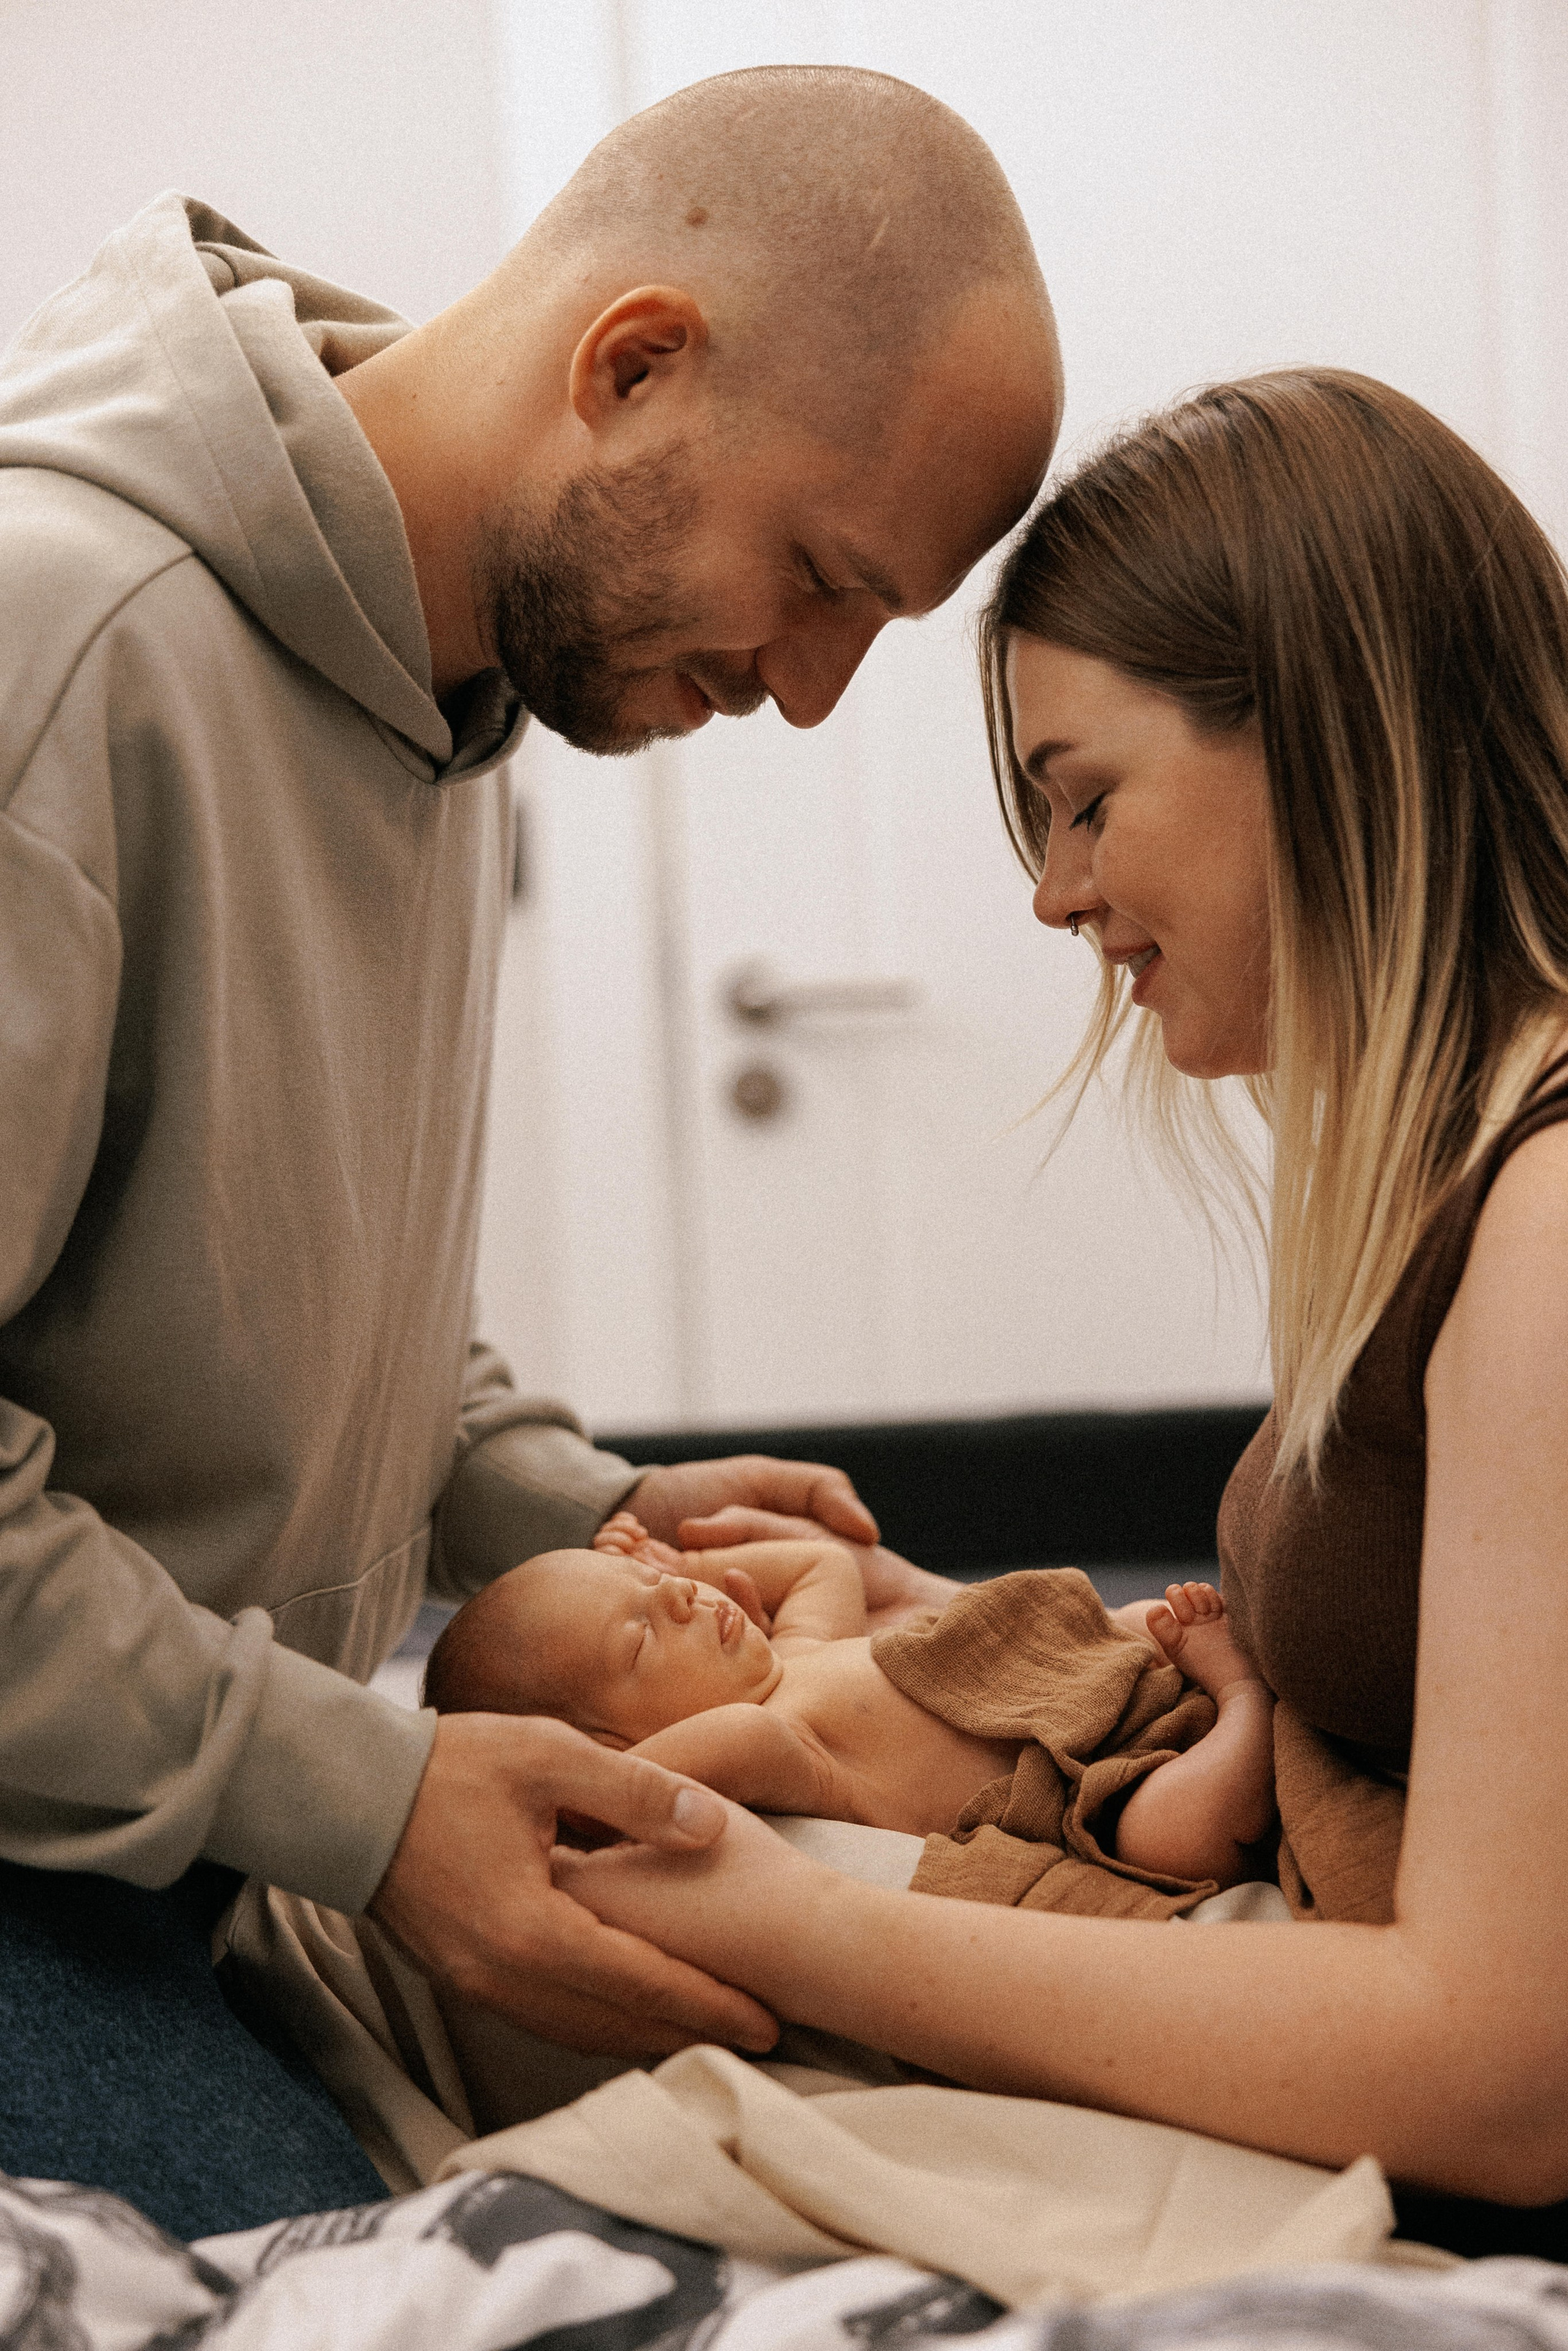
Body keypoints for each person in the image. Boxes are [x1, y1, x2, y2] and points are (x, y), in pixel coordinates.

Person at [0, 64, 1060, 2233]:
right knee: (357, 2265)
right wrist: (374, 1799)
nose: (814, 695)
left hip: (143, 1797)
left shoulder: (443, 682)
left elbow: (255, 1247)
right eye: (823, 580)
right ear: (634, 363)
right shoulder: (61, 645)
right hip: (53, 1829)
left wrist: (565, 1495)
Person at [555, 368, 1568, 2259]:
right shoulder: (1459, 1156)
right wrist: (964, 1639)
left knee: (583, 2030)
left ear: (1339, 738)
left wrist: (790, 1919)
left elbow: (1510, 2065)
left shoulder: (1553, 1215)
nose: (1054, 894)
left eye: (1086, 801)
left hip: (1466, 2140)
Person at [425, 1514, 1275, 1890]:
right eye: (641, 1640)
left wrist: (675, 1565)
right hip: (1088, 1779)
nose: (681, 1601)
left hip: (1080, 1676)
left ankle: (1207, 1674)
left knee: (1130, 1619)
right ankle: (1243, 1703)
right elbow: (606, 1794)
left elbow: (822, 1565)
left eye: (654, 1585)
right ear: (615, 1743)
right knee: (1176, 1837)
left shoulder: (796, 1652)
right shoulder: (770, 1740)